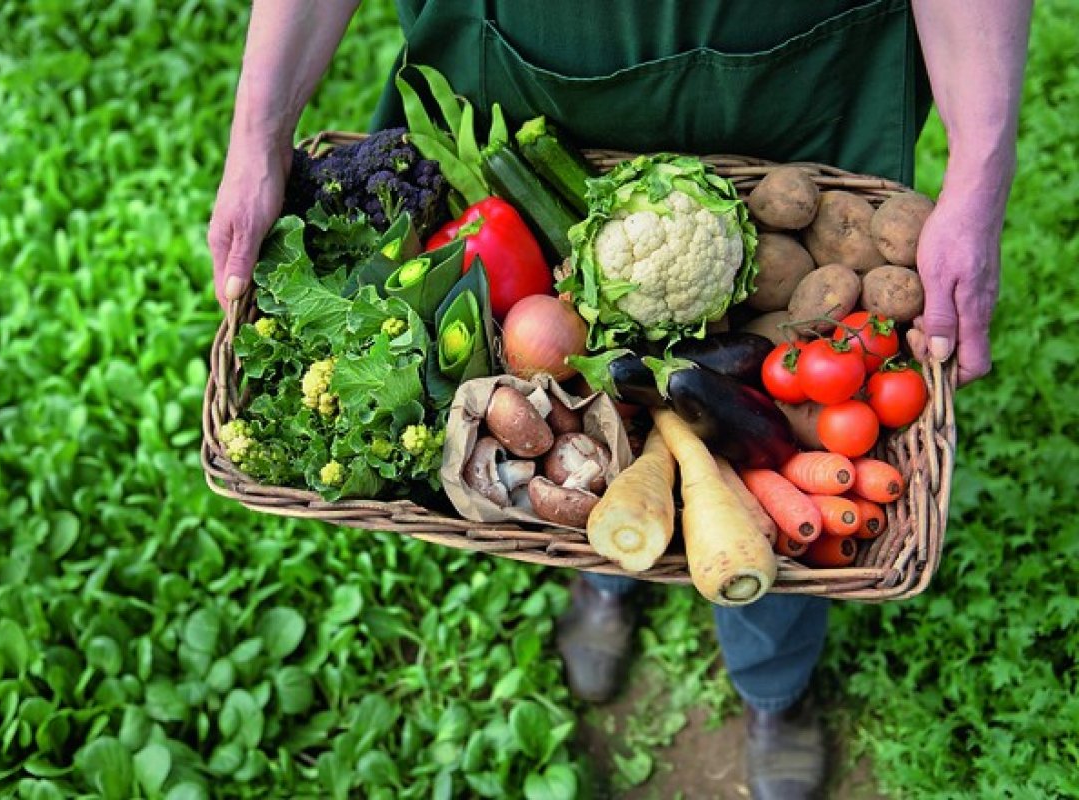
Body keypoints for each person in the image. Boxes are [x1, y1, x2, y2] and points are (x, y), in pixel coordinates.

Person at [209, 3, 1031, 797]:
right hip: (524, 78)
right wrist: (256, 136)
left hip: (791, 85)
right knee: (606, 447)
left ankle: (773, 683)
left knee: (765, 467)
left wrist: (983, 170)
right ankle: (606, 571)